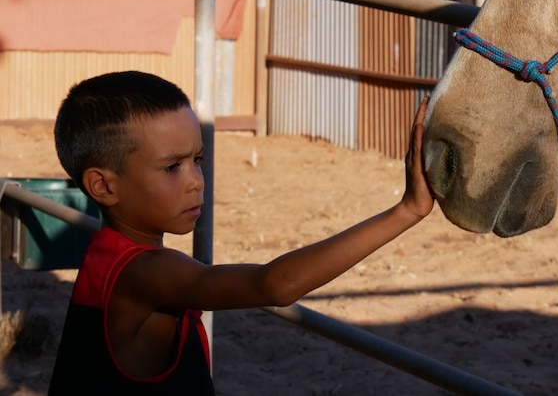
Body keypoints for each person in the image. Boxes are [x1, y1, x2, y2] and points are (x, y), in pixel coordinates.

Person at [47, 70, 434, 395]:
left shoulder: (104, 256)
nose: (196, 181)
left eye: (197, 160)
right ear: (104, 187)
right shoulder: (144, 273)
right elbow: (275, 286)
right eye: (171, 168)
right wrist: (406, 211)